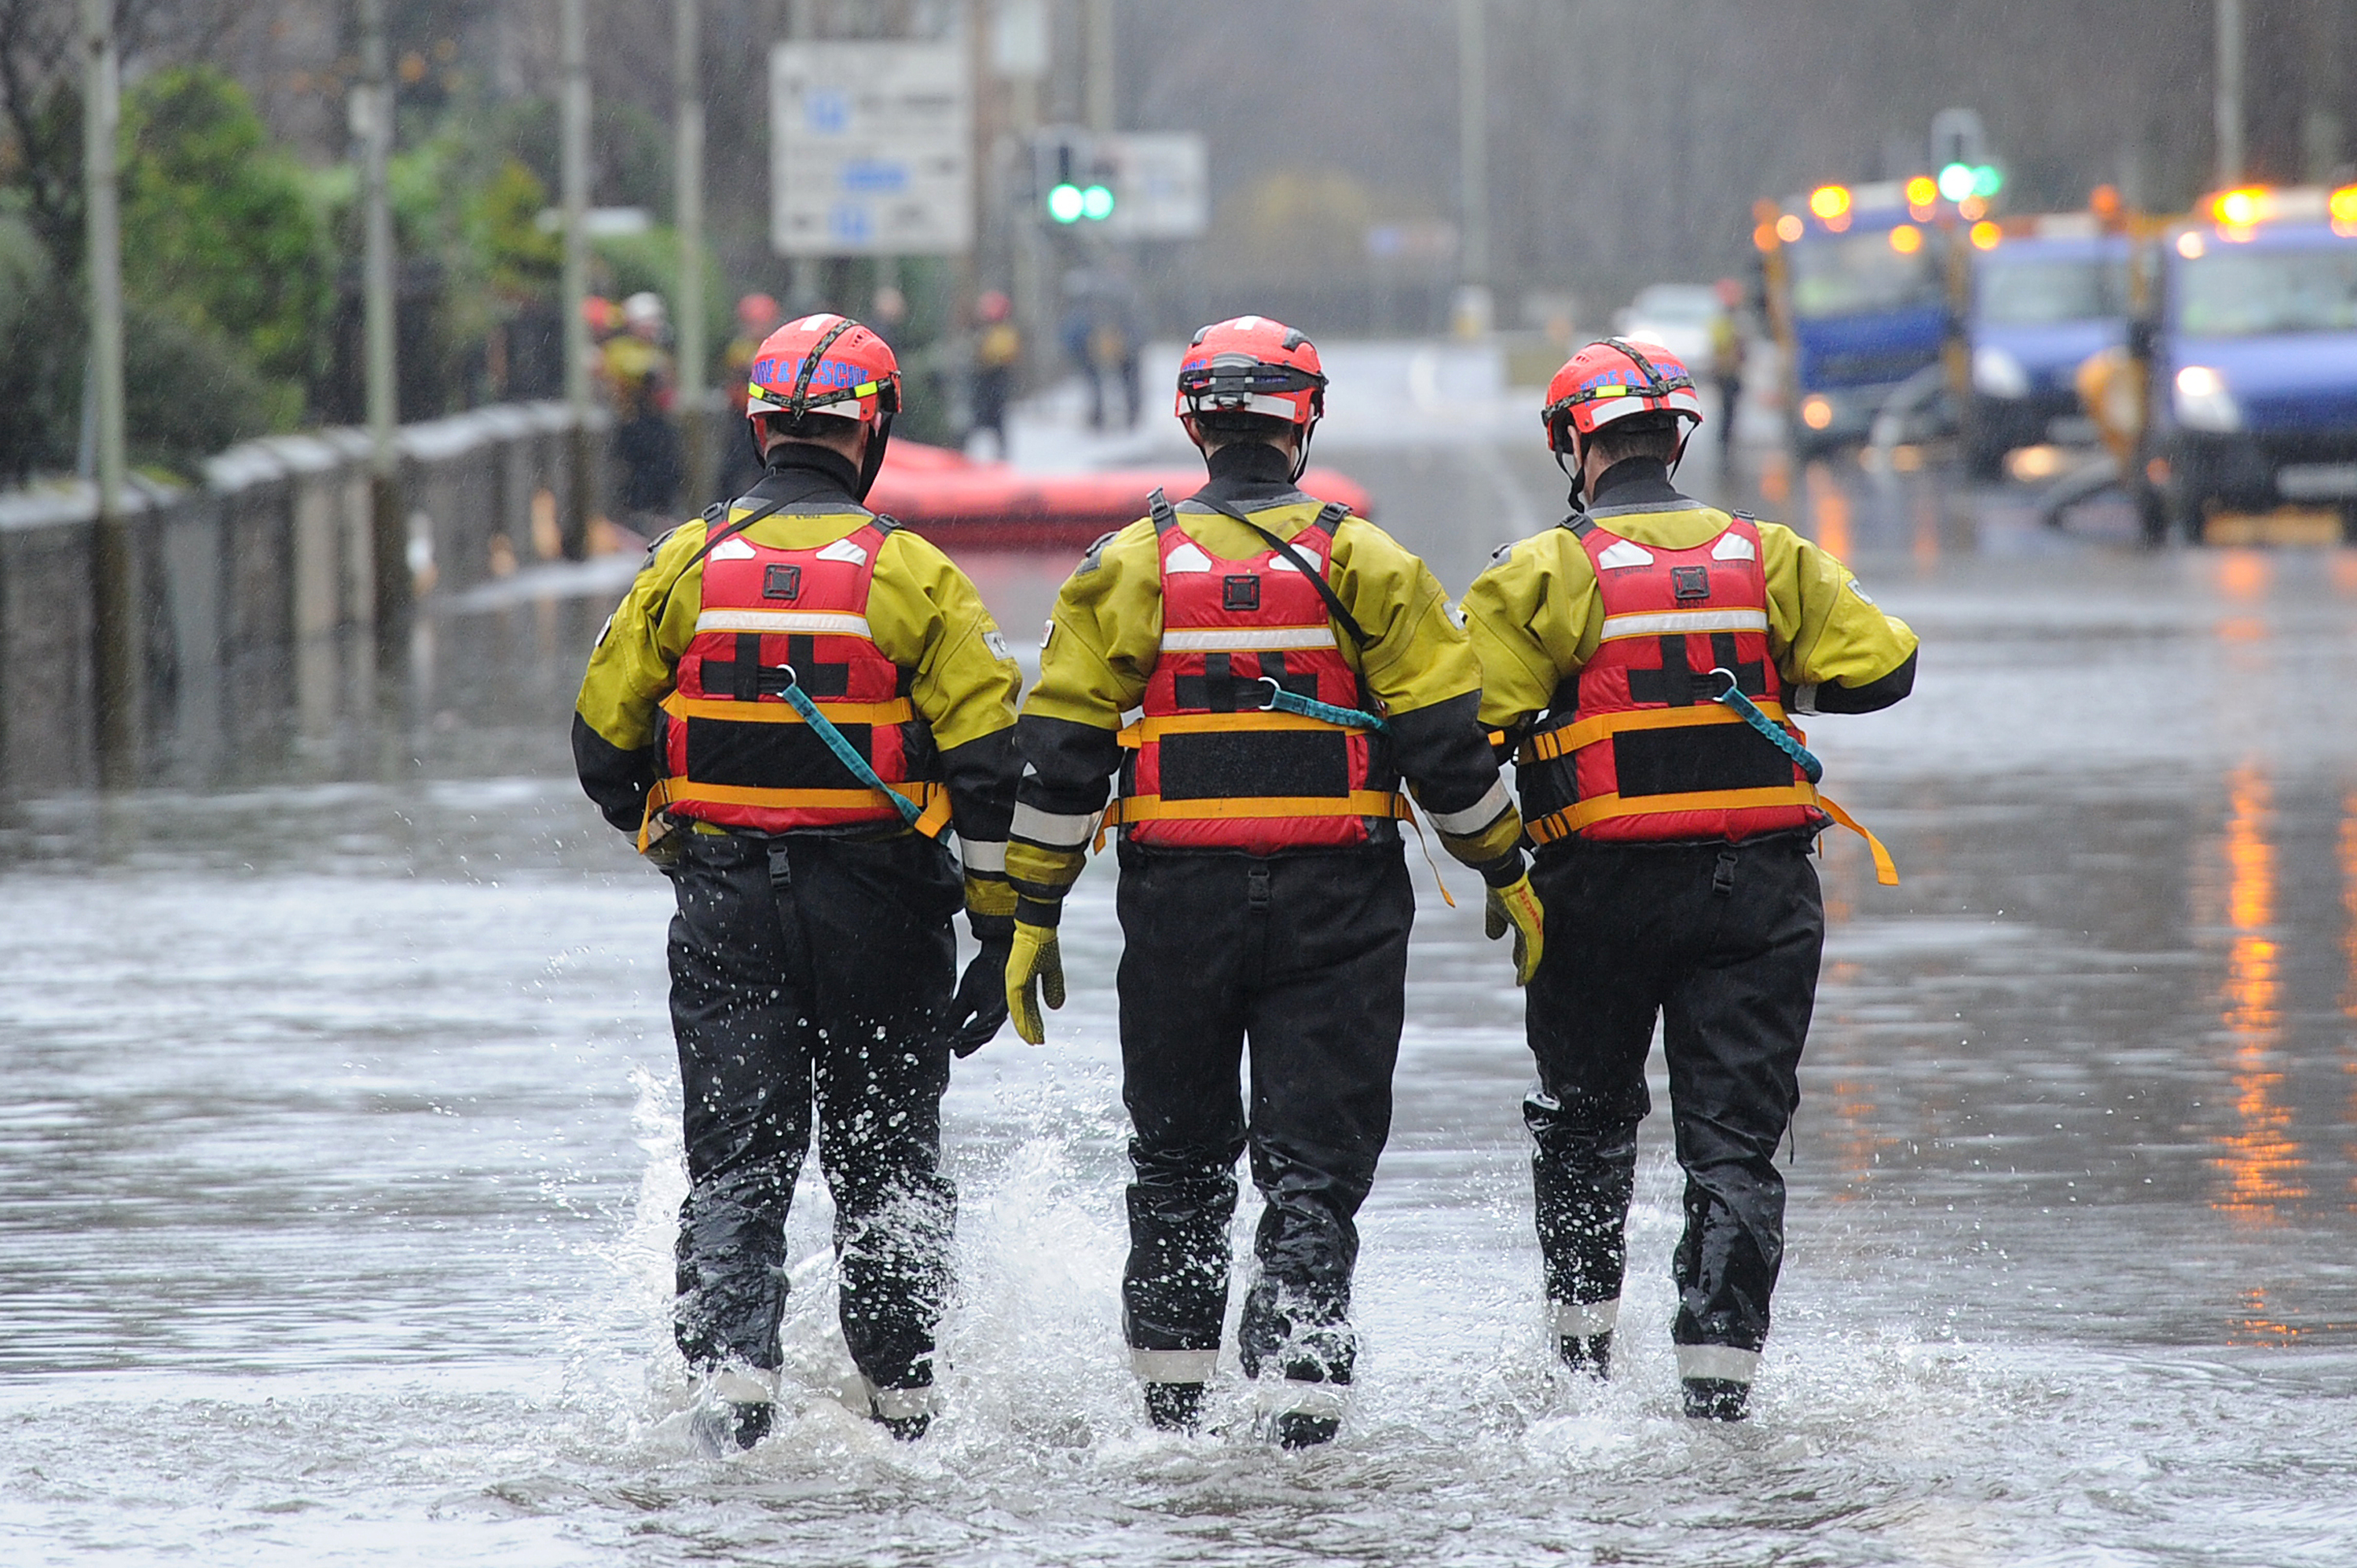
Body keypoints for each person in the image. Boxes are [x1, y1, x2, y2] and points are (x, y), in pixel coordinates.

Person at [1004, 316, 1543, 1447]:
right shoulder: (1372, 563)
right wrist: (1508, 871)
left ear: (1194, 425)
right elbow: (1451, 754)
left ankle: (1169, 1419)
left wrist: (1029, 912)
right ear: (1305, 422)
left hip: (1176, 909)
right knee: (1313, 1169)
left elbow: (1059, 759)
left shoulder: (1127, 566)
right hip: (1335, 905)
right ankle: (1300, 1411)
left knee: (1178, 1163)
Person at [571, 313, 1022, 1452]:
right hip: (882, 915)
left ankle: (730, 1411)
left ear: (760, 425)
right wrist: (998, 926)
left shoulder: (681, 563)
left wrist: (682, 843)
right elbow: (986, 771)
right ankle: (907, 1419)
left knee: (736, 1166)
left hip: (728, 911)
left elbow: (600, 752)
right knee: (887, 1170)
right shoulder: (916, 574)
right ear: (873, 434)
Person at [1459, 338, 1918, 1422]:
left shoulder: (1541, 570)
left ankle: (1579, 1371)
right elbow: (1886, 665)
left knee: (1584, 1127)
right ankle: (1719, 1391)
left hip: (1592, 895)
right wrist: (1772, 673)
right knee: (1734, 1146)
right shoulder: (1773, 557)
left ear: (1575, 446)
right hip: (1755, 897)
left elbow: (1467, 731)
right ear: (1677, 437)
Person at [603, 291, 684, 532]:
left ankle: (660, 510)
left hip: (657, 421)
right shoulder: (620, 349)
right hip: (634, 423)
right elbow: (631, 372)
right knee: (638, 472)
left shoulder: (659, 351)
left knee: (667, 466)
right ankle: (638, 513)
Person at [718, 292, 783, 500]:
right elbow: (735, 382)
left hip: (768, 418)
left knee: (764, 467)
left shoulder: (777, 348)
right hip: (742, 418)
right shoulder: (739, 349)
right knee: (733, 469)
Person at [970, 290, 1021, 460]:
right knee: (988, 415)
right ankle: (988, 448)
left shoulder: (1002, 331)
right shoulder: (986, 331)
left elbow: (1001, 354)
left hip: (995, 377)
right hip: (988, 378)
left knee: (995, 416)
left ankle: (999, 449)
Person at [1708, 278, 1747, 469]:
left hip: (1731, 372)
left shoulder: (1731, 319)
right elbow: (1721, 346)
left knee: (1730, 409)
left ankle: (1727, 442)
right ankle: (1725, 443)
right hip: (1726, 372)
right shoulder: (1724, 320)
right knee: (1727, 409)